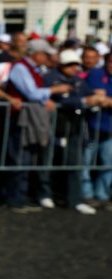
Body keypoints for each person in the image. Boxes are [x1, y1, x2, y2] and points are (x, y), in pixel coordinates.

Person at [4, 39, 72, 211]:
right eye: (46, 55)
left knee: (27, 159)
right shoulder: (21, 68)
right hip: (21, 118)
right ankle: (14, 198)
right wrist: (53, 91)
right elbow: (32, 93)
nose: (48, 58)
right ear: (37, 54)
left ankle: (21, 196)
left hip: (30, 118)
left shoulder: (35, 69)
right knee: (19, 158)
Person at [42, 49, 99, 214]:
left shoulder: (78, 80)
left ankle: (74, 199)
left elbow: (88, 95)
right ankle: (45, 193)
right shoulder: (50, 77)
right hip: (53, 126)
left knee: (74, 162)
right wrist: (82, 100)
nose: (74, 68)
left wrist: (95, 98)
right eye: (70, 65)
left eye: (76, 64)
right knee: (47, 161)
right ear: (61, 65)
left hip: (73, 127)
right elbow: (60, 100)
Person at [83, 52, 112, 209]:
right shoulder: (96, 73)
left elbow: (103, 97)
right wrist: (103, 99)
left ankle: (102, 194)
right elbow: (97, 96)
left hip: (109, 129)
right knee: (85, 162)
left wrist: (106, 99)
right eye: (110, 61)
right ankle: (86, 194)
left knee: (108, 163)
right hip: (92, 126)